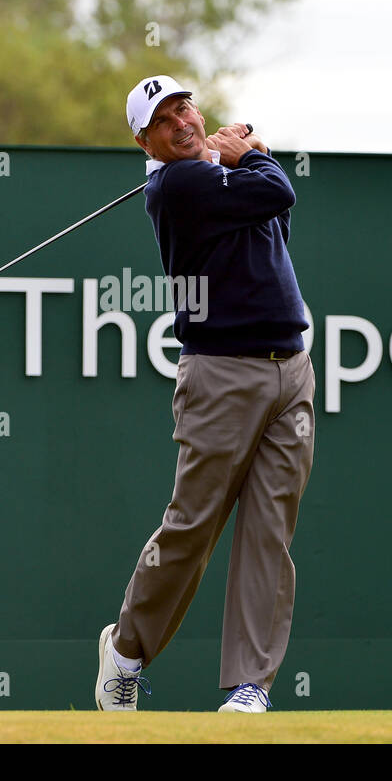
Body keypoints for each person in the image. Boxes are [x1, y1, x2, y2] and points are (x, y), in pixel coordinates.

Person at [95, 74, 316, 713]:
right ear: (146, 141)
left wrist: (236, 160)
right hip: (221, 372)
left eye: (184, 106)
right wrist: (253, 154)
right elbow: (280, 188)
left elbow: (272, 216)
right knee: (192, 525)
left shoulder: (215, 175)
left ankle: (250, 685)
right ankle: (127, 652)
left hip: (290, 368)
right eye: (164, 119)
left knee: (270, 531)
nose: (183, 121)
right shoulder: (177, 184)